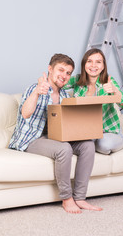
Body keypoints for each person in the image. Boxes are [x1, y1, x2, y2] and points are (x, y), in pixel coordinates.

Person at [9, 53, 102, 214]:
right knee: (64, 149)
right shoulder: (35, 88)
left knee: (87, 145)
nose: (64, 76)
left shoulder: (65, 95)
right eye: (61, 70)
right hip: (31, 139)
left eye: (68, 73)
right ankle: (66, 198)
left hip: (54, 137)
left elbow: (67, 124)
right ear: (50, 69)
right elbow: (25, 113)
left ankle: (80, 197)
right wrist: (37, 92)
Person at [64, 48, 123, 155]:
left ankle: (113, 141)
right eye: (89, 61)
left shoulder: (108, 81)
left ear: (103, 66)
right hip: (88, 132)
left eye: (98, 62)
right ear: (84, 64)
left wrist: (115, 91)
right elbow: (60, 82)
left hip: (109, 132)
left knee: (103, 144)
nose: (93, 65)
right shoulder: (78, 80)